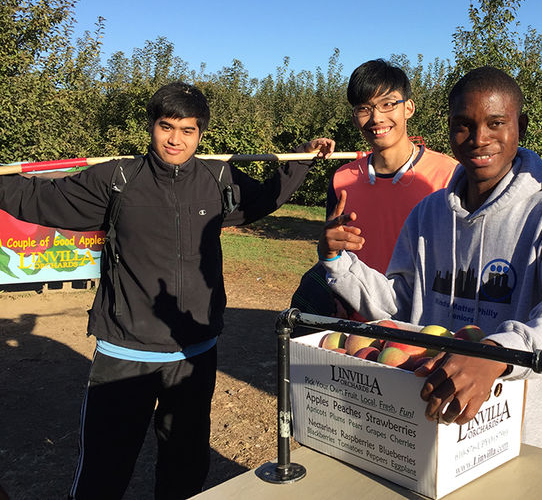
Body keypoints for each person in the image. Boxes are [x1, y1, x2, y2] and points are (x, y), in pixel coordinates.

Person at [0, 81, 333, 499]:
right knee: (104, 471)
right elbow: (42, 197)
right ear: (152, 126)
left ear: (200, 133)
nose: (175, 139)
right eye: (166, 126)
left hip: (193, 354)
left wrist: (300, 161)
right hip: (125, 353)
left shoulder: (217, 177)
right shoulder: (117, 178)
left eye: (188, 130)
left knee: (185, 466)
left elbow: (262, 199)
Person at [318, 66, 542, 447]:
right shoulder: (428, 213)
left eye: (496, 123)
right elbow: (398, 302)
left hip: (518, 435)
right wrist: (339, 262)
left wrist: (499, 353)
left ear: (520, 124)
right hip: (429, 419)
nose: (478, 138)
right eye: (463, 125)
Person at [291, 59, 457, 317]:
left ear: (409, 108)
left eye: (388, 104)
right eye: (364, 108)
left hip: (425, 329)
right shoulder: (342, 179)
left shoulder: (449, 176)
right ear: (355, 117)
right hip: (355, 329)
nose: (377, 117)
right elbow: (334, 250)